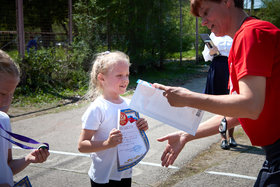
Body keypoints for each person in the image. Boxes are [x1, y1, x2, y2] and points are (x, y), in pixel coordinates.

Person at [153, 0, 280, 186]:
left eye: (206, 12)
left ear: (227, 2)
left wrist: (188, 98)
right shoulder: (244, 37)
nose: (203, 21)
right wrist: (187, 134)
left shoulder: (251, 33)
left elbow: (251, 106)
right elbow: (240, 111)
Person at [78, 51, 149, 187]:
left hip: (125, 173)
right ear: (102, 78)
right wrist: (107, 143)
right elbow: (82, 145)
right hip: (103, 177)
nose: (125, 80)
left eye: (127, 75)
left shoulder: (130, 104)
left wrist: (141, 126)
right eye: (119, 75)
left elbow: (133, 136)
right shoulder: (97, 108)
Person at [0, 49, 50, 187]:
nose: (7, 102)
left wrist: (28, 159)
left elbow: (6, 166)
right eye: (3, 93)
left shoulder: (3, 120)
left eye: (12, 94)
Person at [202, 32, 236, 150]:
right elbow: (206, 57)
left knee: (233, 102)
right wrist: (212, 51)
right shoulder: (214, 35)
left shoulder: (235, 32)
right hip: (217, 67)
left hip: (233, 67)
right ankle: (223, 138)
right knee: (222, 105)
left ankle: (231, 136)